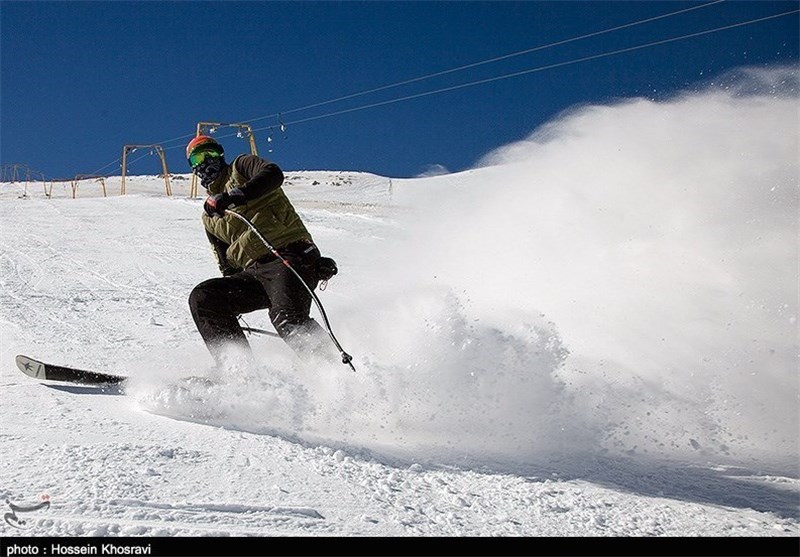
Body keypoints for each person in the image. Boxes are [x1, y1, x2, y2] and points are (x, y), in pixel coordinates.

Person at [185, 135, 339, 370]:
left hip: (288, 255)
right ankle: (240, 372)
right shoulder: (210, 217)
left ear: (221, 155)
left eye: (211, 154)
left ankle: (335, 373)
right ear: (192, 167)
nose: (206, 161)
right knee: (205, 297)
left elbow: (273, 174)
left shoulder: (241, 167)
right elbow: (227, 264)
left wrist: (233, 196)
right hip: (255, 273)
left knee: (286, 318)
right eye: (199, 157)